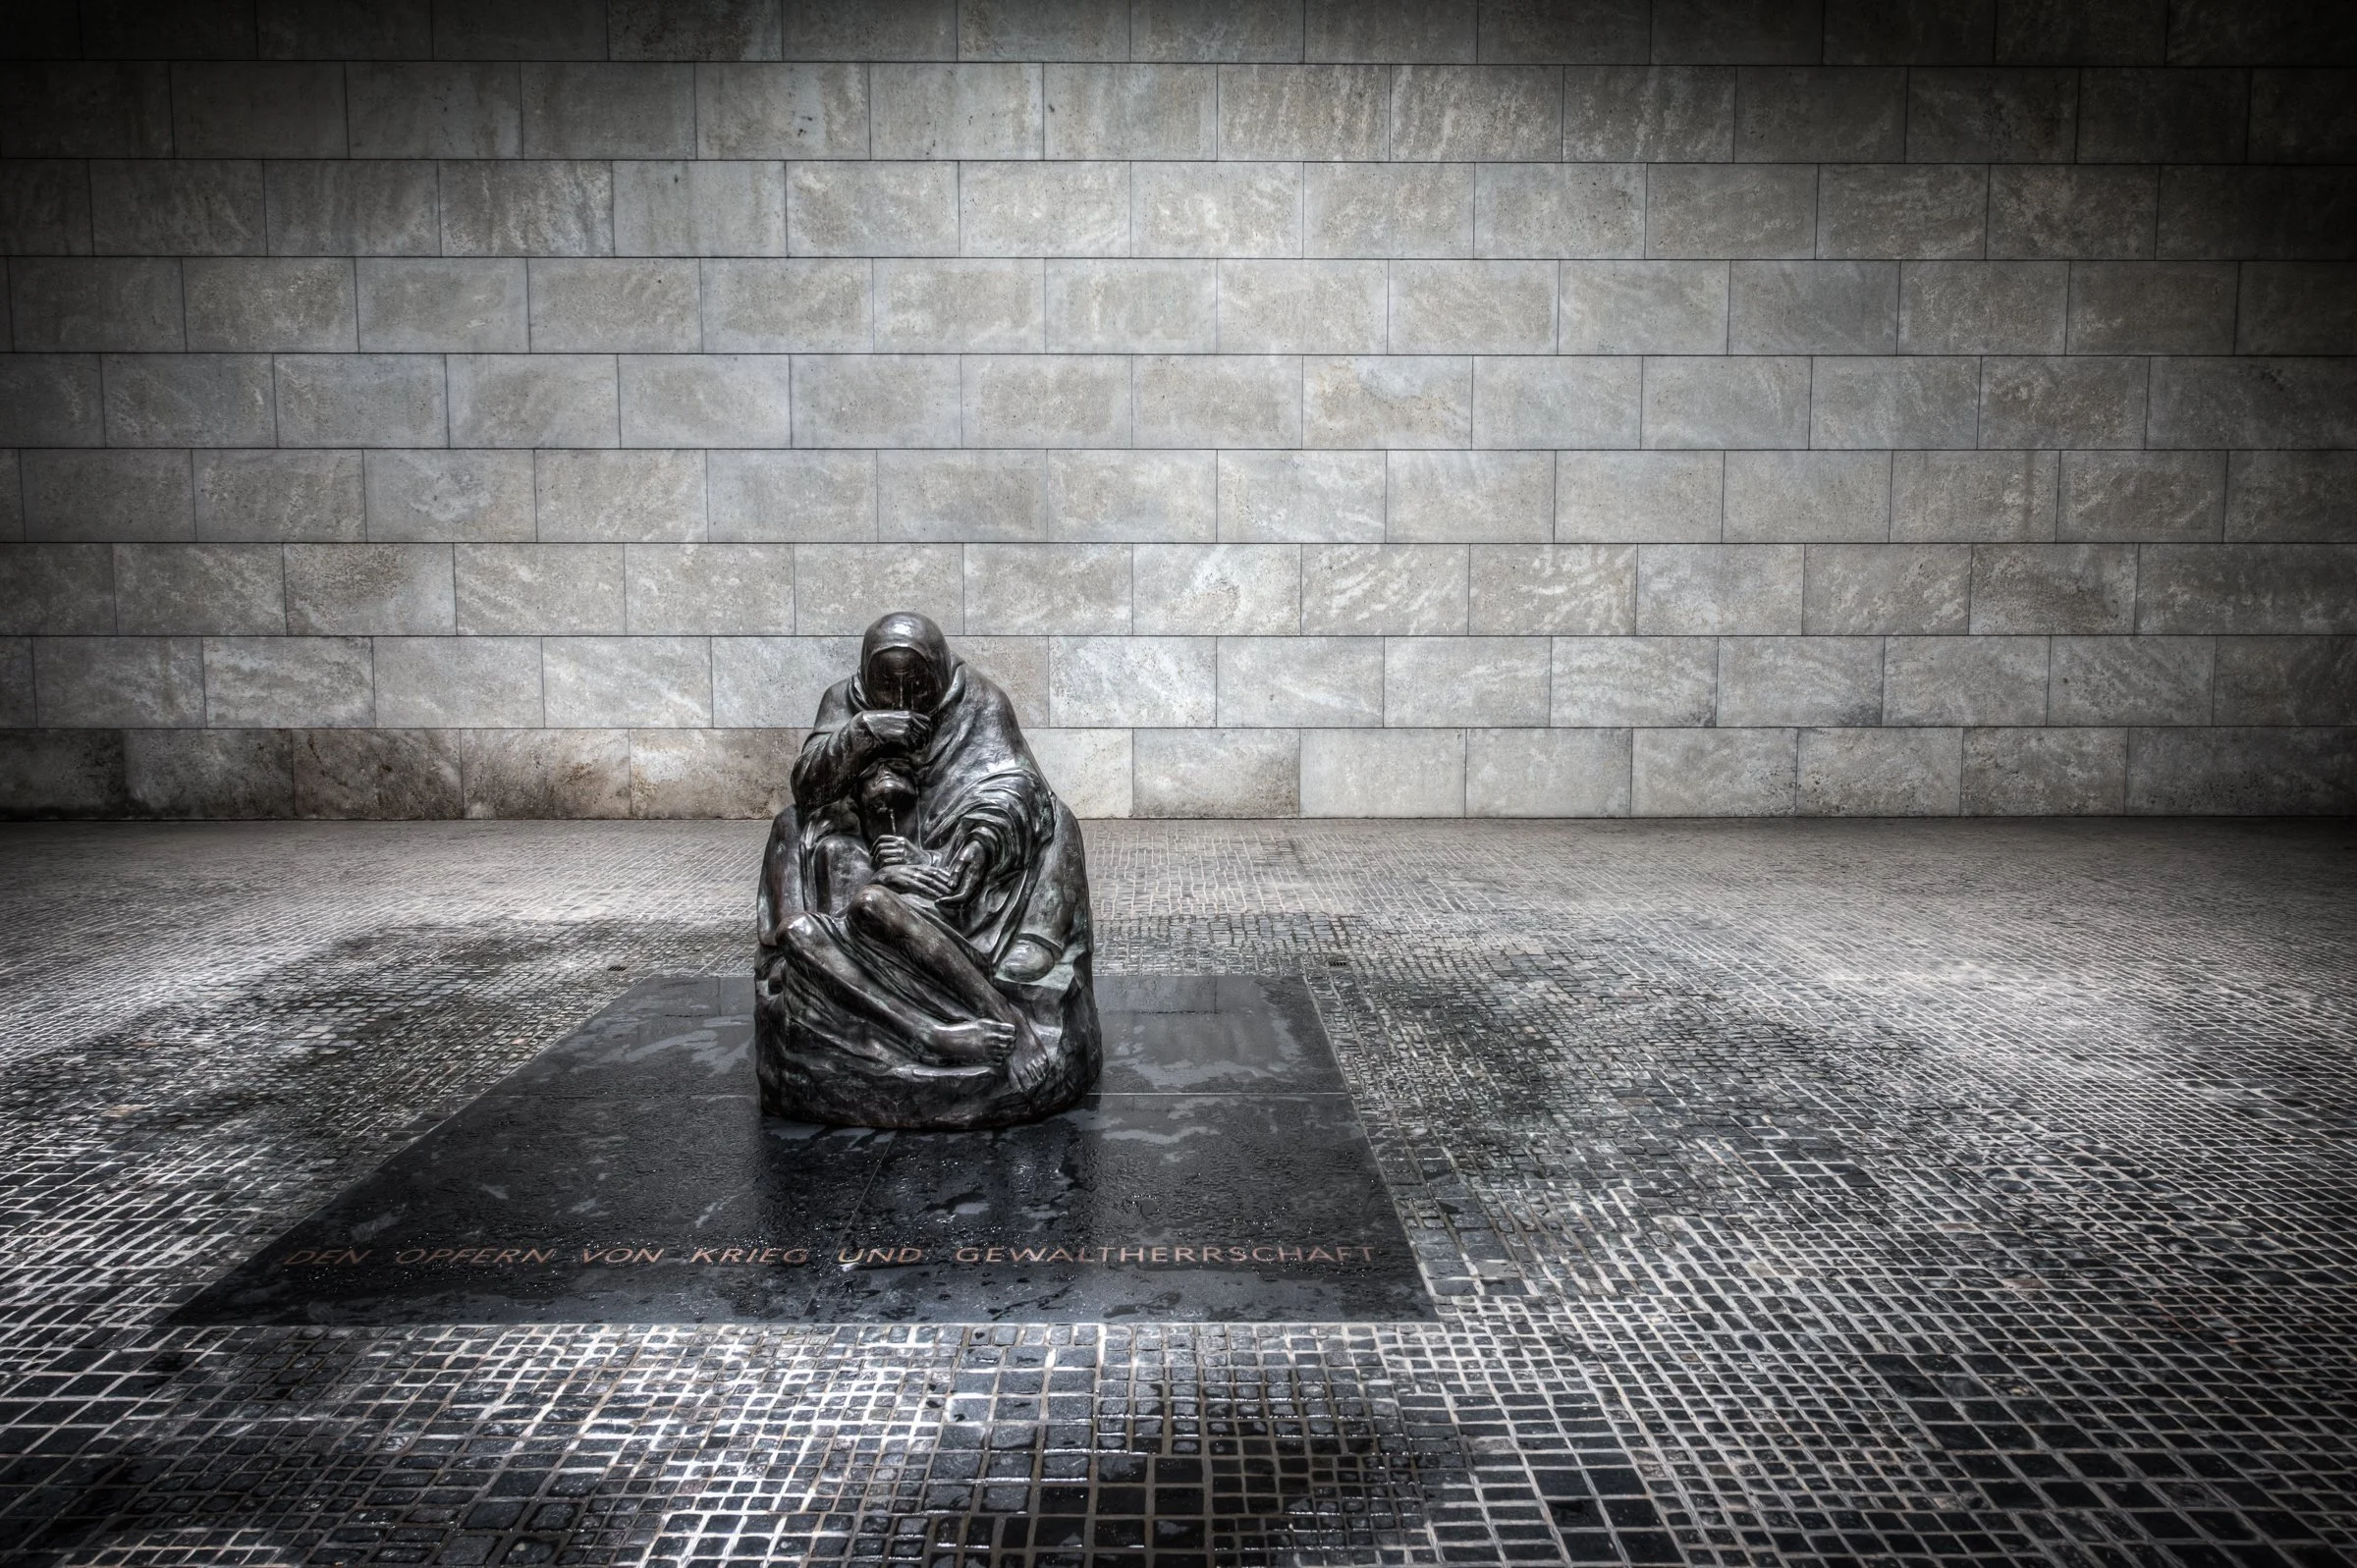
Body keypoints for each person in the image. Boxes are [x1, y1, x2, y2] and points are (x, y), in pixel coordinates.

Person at [754, 612, 1099, 1128]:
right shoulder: (844, 701)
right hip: (871, 856)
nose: (901, 697)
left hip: (952, 851)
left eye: (916, 684)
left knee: (1057, 821)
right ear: (866, 677)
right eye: (886, 684)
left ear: (939, 672)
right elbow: (809, 787)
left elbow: (1014, 784)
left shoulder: (979, 701)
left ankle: (1002, 971)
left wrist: (973, 849)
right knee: (801, 844)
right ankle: (936, 1026)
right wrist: (863, 733)